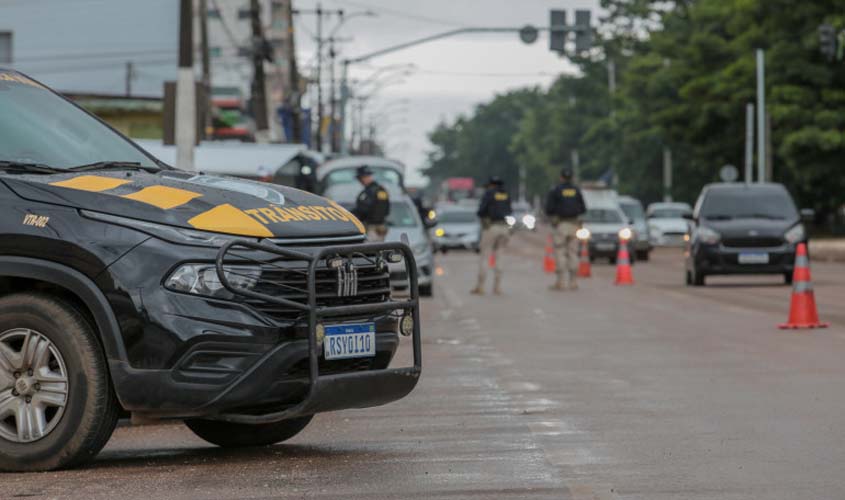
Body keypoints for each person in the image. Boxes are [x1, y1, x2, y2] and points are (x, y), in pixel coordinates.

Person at [544, 168, 586, 290]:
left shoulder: (556, 190)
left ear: (561, 177)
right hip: (574, 225)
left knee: (560, 251)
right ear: (571, 178)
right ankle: (573, 282)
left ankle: (560, 282)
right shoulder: (576, 191)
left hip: (561, 225)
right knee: (573, 253)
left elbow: (549, 209)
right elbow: (583, 209)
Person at [471, 176, 512, 295]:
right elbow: (509, 210)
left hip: (491, 227)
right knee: (500, 256)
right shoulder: (506, 194)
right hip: (504, 228)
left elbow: (481, 211)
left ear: (491, 185)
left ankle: (481, 286)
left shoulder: (489, 193)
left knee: (485, 256)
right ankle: (497, 287)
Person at [352, 166, 390, 241]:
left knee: (371, 249)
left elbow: (366, 209)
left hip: (373, 227)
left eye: (362, 178)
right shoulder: (370, 191)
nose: (361, 181)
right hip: (372, 226)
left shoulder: (375, 191)